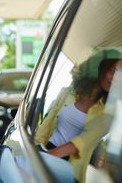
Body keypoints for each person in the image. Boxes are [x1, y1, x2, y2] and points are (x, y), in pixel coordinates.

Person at [35, 48, 122, 182]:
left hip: (69, 168)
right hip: (46, 150)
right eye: (113, 71)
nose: (116, 79)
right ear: (99, 68)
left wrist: (40, 159)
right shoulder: (67, 93)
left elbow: (81, 142)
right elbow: (45, 128)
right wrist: (33, 149)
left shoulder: (109, 112)